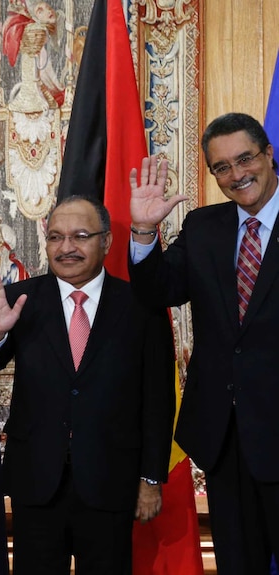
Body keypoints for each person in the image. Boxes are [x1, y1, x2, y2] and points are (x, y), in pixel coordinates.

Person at [0, 195, 175, 574]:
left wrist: (151, 478)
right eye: (55, 237)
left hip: (111, 480)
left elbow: (158, 397)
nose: (66, 247)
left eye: (80, 236)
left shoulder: (140, 306)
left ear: (106, 242)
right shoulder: (20, 300)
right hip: (36, 481)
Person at [129, 112, 279, 573]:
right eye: (222, 168)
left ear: (269, 154)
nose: (236, 175)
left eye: (245, 159)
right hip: (224, 436)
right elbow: (159, 292)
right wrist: (144, 232)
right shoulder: (203, 226)